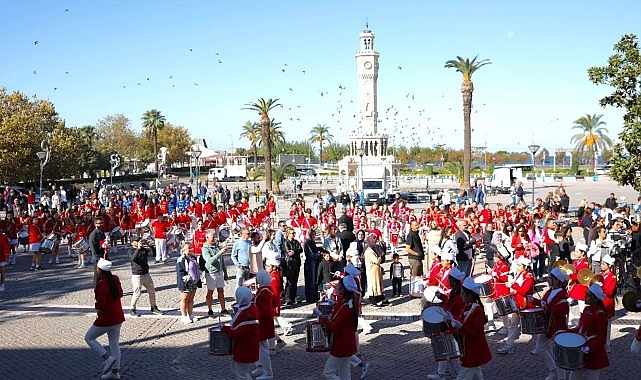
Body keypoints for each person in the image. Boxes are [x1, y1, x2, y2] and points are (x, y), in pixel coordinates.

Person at [84, 258, 125, 379]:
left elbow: (101, 305)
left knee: (89, 337)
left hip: (107, 318)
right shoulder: (115, 279)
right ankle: (115, 372)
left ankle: (107, 358)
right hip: (118, 316)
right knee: (114, 344)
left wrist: (97, 306)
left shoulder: (101, 284)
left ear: (100, 270)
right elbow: (121, 294)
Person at [446, 277, 492, 380]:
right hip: (469, 348)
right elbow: (462, 322)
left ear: (470, 296)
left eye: (463, 294)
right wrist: (452, 320)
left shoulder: (477, 310)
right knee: (477, 376)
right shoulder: (467, 307)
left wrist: (460, 327)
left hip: (473, 350)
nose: (461, 296)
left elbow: (474, 331)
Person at [427, 267, 466, 380]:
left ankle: (459, 375)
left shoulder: (459, 295)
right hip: (450, 324)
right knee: (445, 349)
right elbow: (449, 303)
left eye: (450, 280)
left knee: (453, 353)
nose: (448, 281)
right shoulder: (455, 291)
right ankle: (442, 374)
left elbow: (453, 308)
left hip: (454, 325)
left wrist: (445, 311)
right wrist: (443, 297)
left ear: (454, 281)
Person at [532, 268, 570, 379]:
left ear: (557, 280)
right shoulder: (549, 291)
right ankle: (553, 370)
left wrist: (547, 306)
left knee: (558, 354)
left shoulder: (562, 293)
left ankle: (561, 377)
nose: (548, 280)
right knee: (539, 348)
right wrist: (533, 300)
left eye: (550, 278)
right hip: (547, 325)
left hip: (557, 326)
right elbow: (544, 304)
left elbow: (563, 310)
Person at [320, 275, 359, 380]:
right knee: (345, 372)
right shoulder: (348, 302)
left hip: (342, 344)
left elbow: (335, 326)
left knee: (328, 373)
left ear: (344, 289)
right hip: (346, 343)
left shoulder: (346, 307)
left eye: (339, 287)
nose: (338, 288)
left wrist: (323, 318)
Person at [567, 284, 609, 380]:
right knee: (572, 378)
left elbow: (601, 338)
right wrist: (566, 331)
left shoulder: (600, 314)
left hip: (593, 353)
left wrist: (589, 347)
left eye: (588, 295)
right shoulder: (586, 310)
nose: (585, 296)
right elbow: (580, 328)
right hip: (582, 350)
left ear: (595, 299)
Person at [497, 256, 535, 354]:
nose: (517, 267)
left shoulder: (529, 277)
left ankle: (540, 347)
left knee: (532, 327)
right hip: (518, 303)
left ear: (525, 266)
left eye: (519, 265)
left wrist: (513, 285)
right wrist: (510, 283)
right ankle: (509, 346)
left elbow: (523, 290)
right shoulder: (520, 275)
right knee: (514, 325)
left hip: (526, 304)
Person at [222, 286, 260, 380]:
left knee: (242, 374)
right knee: (239, 371)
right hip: (245, 347)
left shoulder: (248, 314)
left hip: (245, 348)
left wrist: (225, 330)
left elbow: (240, 334)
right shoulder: (249, 308)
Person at [251, 270, 277, 380]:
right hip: (265, 323)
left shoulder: (263, 293)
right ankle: (260, 366)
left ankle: (267, 373)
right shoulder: (267, 290)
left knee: (262, 349)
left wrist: (253, 315)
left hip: (262, 324)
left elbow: (264, 312)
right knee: (260, 347)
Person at [128, 238, 162, 317]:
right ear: (133, 242)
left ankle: (154, 307)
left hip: (146, 274)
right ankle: (132, 309)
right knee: (137, 293)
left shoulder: (143, 249)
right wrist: (138, 249)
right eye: (137, 241)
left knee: (152, 291)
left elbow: (153, 254)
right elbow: (132, 259)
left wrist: (151, 247)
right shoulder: (131, 250)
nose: (140, 242)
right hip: (137, 275)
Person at [201, 229, 229, 318]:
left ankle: (223, 309)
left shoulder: (216, 246)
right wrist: (220, 253)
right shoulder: (205, 248)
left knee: (221, 291)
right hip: (211, 273)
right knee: (210, 292)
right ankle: (210, 310)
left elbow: (222, 260)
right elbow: (209, 261)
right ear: (207, 237)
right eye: (213, 237)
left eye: (215, 237)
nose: (214, 239)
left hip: (219, 272)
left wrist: (225, 272)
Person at [176, 242, 200, 323]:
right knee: (185, 298)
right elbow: (180, 272)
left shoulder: (193, 257)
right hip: (186, 282)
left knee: (191, 299)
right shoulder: (181, 259)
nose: (190, 250)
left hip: (194, 281)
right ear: (183, 249)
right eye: (188, 248)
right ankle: (184, 315)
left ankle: (190, 314)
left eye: (191, 248)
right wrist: (185, 279)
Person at [599, 254, 617, 352]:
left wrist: (601, 286)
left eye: (603, 264)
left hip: (607, 303)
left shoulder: (612, 276)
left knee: (607, 326)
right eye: (601, 263)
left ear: (609, 265)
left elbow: (610, 292)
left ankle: (607, 345)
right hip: (600, 302)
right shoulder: (601, 275)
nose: (601, 265)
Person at [364, 233, 388, 306]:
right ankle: (374, 301)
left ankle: (380, 299)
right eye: (374, 242)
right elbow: (377, 260)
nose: (375, 244)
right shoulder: (368, 251)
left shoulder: (373, 249)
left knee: (378, 285)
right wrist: (380, 257)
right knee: (373, 286)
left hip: (376, 271)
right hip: (372, 271)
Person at [282, 227, 303, 305]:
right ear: (288, 234)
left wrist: (295, 251)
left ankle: (294, 295)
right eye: (292, 233)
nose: (293, 235)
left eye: (294, 233)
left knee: (295, 280)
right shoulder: (286, 242)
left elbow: (300, 249)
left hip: (296, 262)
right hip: (290, 263)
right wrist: (294, 252)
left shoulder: (296, 242)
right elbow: (288, 252)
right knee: (289, 281)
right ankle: (288, 297)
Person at [304, 229, 322, 303]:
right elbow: (311, 254)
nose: (314, 236)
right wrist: (319, 254)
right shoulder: (308, 243)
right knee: (311, 280)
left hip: (314, 263)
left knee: (315, 280)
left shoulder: (311, 242)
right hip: (310, 264)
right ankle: (311, 297)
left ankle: (314, 296)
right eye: (313, 235)